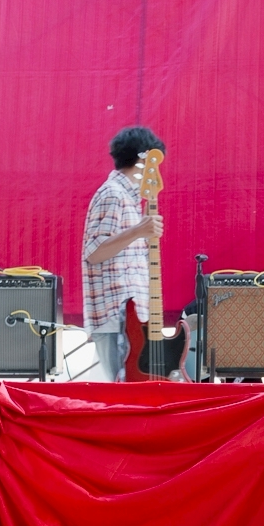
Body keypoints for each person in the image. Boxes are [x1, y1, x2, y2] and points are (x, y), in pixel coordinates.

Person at [81, 125, 164, 381]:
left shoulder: (128, 198)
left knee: (131, 390)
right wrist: (137, 231)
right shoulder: (113, 195)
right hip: (115, 316)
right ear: (143, 160)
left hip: (129, 318)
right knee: (121, 391)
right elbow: (94, 252)